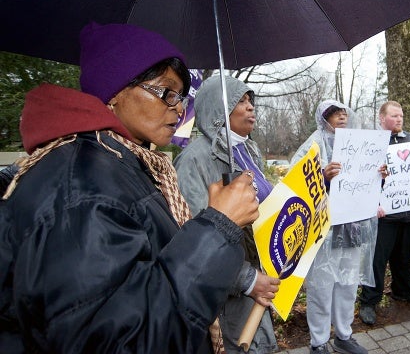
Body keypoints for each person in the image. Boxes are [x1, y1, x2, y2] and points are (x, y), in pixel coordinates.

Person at [0, 22, 260, 353]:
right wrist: (217, 228)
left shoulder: (122, 164)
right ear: (114, 92)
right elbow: (120, 342)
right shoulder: (79, 185)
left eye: (181, 96)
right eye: (166, 92)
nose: (179, 108)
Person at [174, 75, 280, 354]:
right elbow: (194, 238)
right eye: (240, 101)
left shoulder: (249, 150)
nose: (250, 108)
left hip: (260, 276)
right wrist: (245, 280)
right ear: (216, 109)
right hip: (227, 295)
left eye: (250, 101)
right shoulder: (193, 160)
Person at [291, 100, 384, 354]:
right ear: (324, 118)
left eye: (343, 112)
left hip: (352, 228)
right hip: (324, 230)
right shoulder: (313, 144)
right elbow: (294, 178)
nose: (341, 116)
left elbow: (365, 180)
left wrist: (378, 176)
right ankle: (318, 342)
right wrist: (321, 176)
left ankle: (344, 335)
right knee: (321, 286)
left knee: (348, 284)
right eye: (334, 113)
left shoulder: (359, 143)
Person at [358, 101, 410, 326]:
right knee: (377, 260)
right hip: (384, 215)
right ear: (382, 119)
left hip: (409, 212)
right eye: (394, 116)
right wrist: (375, 172)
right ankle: (369, 301)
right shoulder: (373, 142)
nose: (399, 119)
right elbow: (362, 174)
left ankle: (403, 291)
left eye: (401, 115)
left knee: (406, 257)